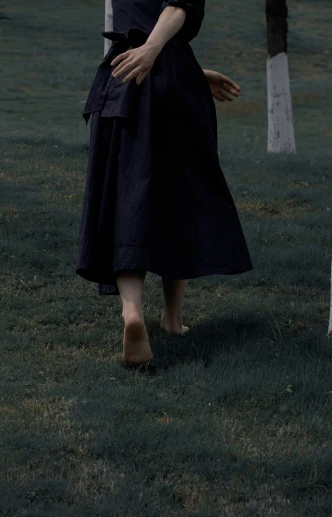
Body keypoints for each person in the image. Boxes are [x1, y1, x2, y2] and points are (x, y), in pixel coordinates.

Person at [77, 0, 253, 367]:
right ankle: (172, 319)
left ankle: (132, 313)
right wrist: (160, 55)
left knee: (126, 197)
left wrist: (186, 68)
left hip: (123, 76)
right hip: (166, 75)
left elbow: (139, 26)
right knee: (178, 195)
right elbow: (177, 8)